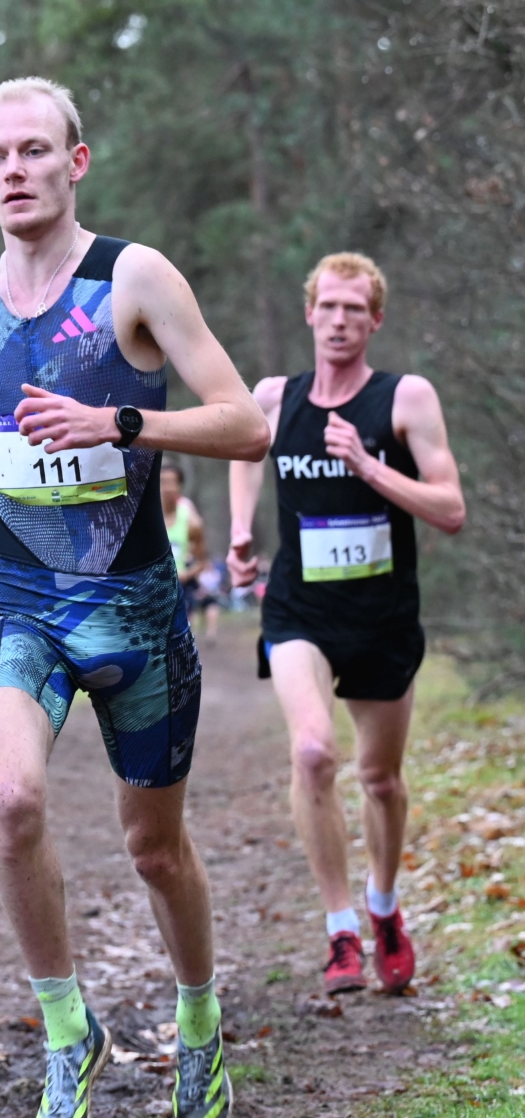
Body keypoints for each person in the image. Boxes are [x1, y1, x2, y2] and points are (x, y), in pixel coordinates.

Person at [0, 77, 270, 1118]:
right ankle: (69, 1031)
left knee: (153, 848)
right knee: (9, 797)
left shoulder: (134, 279)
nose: (13, 169)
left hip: (135, 606)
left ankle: (199, 1021)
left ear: (75, 162)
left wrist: (120, 421)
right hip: (21, 599)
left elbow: (245, 425)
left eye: (34, 150)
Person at [227, 252, 464, 998]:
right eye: (328, 306)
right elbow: (242, 450)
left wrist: (369, 466)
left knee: (381, 778)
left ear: (375, 320)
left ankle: (383, 906)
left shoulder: (405, 398)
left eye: (354, 310)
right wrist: (240, 530)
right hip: (300, 609)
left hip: (383, 617)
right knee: (311, 751)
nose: (338, 321)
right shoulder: (275, 397)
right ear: (309, 312)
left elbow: (451, 508)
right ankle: (340, 929)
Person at [160, 462, 219, 640]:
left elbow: (202, 562)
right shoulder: (145, 517)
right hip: (151, 589)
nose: (168, 488)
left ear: (180, 486)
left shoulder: (192, 522)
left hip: (180, 588)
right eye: (163, 482)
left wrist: (186, 575)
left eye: (172, 482)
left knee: (180, 637)